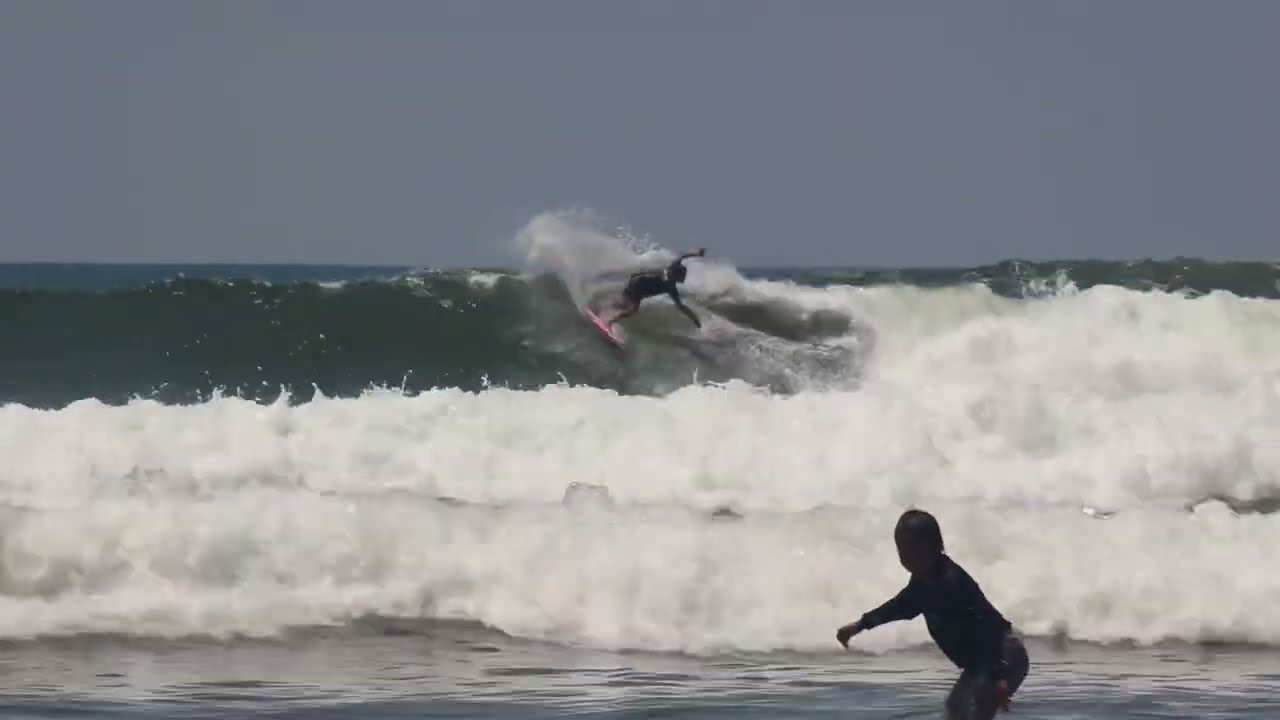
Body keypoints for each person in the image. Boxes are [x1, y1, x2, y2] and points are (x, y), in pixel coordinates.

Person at [836, 509, 1029, 720]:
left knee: (974, 709)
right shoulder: (923, 581)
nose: (908, 559)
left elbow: (987, 630)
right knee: (956, 709)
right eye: (902, 551)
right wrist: (860, 625)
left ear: (934, 546)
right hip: (982, 661)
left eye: (914, 552)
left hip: (1002, 653)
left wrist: (999, 677)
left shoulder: (950, 582)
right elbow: (898, 607)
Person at [608, 248, 706, 329]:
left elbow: (681, 306)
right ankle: (610, 321)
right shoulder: (671, 284)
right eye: (680, 277)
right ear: (676, 274)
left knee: (624, 304)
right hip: (639, 284)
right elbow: (683, 256)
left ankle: (604, 307)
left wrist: (694, 319)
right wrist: (696, 254)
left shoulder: (672, 281)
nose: (682, 279)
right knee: (633, 308)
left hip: (636, 281)